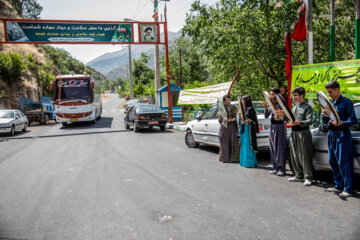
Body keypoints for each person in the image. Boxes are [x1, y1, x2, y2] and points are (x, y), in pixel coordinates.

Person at [322, 81, 357, 198]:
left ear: (337, 90)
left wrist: (342, 123)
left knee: (344, 162)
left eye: (330, 92)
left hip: (343, 134)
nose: (329, 94)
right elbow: (325, 123)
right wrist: (324, 116)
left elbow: (353, 120)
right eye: (328, 92)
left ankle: (348, 188)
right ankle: (338, 185)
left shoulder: (347, 102)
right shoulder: (330, 104)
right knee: (332, 160)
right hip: (331, 133)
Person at [286, 87, 314, 186]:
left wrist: (299, 122)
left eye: (296, 95)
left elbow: (310, 121)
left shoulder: (307, 107)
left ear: (302, 95)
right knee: (295, 155)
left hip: (303, 133)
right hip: (294, 133)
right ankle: (298, 175)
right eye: (293, 96)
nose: (294, 98)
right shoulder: (294, 108)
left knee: (305, 156)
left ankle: (308, 177)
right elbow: (290, 120)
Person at [263, 88, 287, 176]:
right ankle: (275, 167)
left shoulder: (281, 104)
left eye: (272, 94)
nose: (270, 96)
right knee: (272, 147)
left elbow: (286, 116)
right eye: (270, 94)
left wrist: (280, 117)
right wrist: (266, 108)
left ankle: (281, 169)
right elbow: (266, 116)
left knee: (279, 148)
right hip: (272, 127)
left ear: (277, 95)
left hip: (280, 127)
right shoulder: (271, 104)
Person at [239, 96, 259, 168]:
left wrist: (248, 120)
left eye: (243, 100)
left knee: (249, 145)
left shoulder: (251, 109)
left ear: (246, 101)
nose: (242, 102)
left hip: (249, 130)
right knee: (244, 145)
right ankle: (244, 161)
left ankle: (250, 162)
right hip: (245, 129)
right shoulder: (244, 108)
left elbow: (254, 121)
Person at [218, 95, 238, 163]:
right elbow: (220, 120)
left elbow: (236, 118)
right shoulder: (221, 108)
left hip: (231, 127)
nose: (227, 101)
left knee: (231, 141)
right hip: (224, 127)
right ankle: (224, 158)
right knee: (223, 141)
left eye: (228, 100)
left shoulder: (233, 107)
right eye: (225, 100)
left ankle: (232, 158)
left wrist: (230, 120)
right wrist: (220, 118)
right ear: (223, 101)